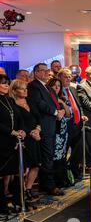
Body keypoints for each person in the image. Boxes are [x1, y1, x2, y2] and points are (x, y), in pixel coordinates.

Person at [28, 63, 65, 196]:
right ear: (36, 72)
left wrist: (60, 111)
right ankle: (49, 186)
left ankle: (47, 184)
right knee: (47, 156)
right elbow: (40, 104)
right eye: (42, 71)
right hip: (44, 125)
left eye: (46, 71)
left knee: (49, 156)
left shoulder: (46, 87)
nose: (45, 73)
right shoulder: (33, 86)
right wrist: (56, 112)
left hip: (51, 125)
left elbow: (54, 101)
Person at [10, 79, 41, 204]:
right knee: (23, 167)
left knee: (36, 165)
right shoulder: (12, 103)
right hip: (23, 138)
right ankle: (21, 192)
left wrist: (38, 129)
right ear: (14, 91)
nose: (25, 91)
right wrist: (31, 133)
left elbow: (38, 117)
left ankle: (28, 189)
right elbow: (18, 123)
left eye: (26, 88)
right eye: (22, 89)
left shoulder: (30, 101)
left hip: (35, 136)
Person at [0, 74, 26, 217]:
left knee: (16, 172)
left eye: (7, 83)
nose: (6, 86)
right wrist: (11, 131)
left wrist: (21, 130)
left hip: (14, 142)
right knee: (2, 175)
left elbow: (19, 116)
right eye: (3, 84)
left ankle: (18, 201)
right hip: (2, 142)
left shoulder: (9, 100)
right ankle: (2, 204)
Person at [58, 69, 87, 182]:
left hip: (77, 125)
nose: (68, 78)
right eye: (65, 76)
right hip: (65, 127)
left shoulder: (73, 89)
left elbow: (78, 106)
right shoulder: (57, 91)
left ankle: (74, 172)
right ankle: (63, 175)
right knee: (64, 153)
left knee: (78, 151)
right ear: (59, 78)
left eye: (70, 76)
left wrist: (82, 115)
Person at [47, 78, 72, 188]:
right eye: (54, 85)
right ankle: (55, 181)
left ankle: (62, 179)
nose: (57, 87)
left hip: (63, 131)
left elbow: (68, 114)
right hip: (54, 131)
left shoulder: (62, 98)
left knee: (62, 156)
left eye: (59, 85)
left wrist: (62, 102)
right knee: (54, 157)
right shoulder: (48, 99)